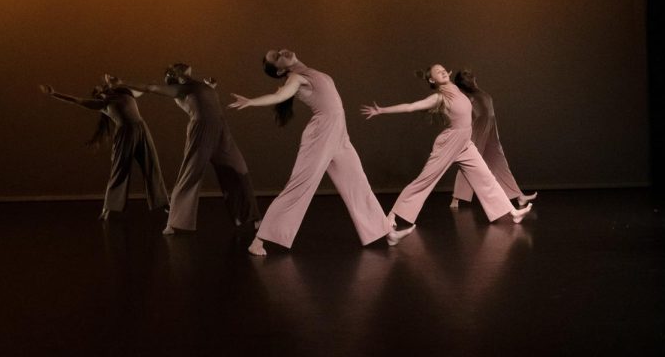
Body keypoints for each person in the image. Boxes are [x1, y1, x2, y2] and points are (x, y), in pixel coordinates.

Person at [229, 49, 412, 255]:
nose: (281, 52)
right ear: (280, 71)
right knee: (299, 187)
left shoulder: (311, 73)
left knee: (358, 183)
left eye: (278, 50)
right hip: (321, 135)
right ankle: (258, 241)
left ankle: (388, 233)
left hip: (339, 135)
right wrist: (251, 101)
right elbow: (280, 95)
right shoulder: (296, 78)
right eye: (276, 57)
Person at [360, 63, 533, 240]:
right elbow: (410, 106)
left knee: (485, 176)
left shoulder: (457, 89)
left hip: (465, 143)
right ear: (431, 79)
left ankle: (512, 212)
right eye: (437, 72)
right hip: (449, 143)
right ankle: (391, 217)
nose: (441, 72)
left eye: (443, 69)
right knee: (424, 180)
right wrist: (381, 110)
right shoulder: (439, 97)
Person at [123, 64, 261, 235]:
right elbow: (150, 88)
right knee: (190, 174)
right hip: (202, 131)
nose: (187, 70)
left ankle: (251, 217)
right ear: (177, 75)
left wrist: (210, 86)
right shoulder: (180, 90)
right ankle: (173, 222)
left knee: (239, 171)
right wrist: (122, 83)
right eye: (180, 69)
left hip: (221, 130)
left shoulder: (199, 85)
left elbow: (205, 95)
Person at [39, 75, 169, 220]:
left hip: (141, 129)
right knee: (120, 171)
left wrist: (149, 85)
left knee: (151, 165)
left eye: (100, 89)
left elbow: (143, 91)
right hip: (125, 134)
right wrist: (54, 94)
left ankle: (163, 203)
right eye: (96, 93)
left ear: (106, 89)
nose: (99, 92)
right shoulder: (103, 104)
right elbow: (77, 100)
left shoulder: (125, 93)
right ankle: (109, 208)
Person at [448, 69, 537, 210]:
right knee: (469, 162)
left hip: (490, 131)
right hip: (478, 129)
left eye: (471, 75)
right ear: (464, 83)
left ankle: (518, 196)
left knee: (499, 162)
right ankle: (456, 198)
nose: (472, 76)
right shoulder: (467, 96)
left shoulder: (480, 93)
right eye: (467, 76)